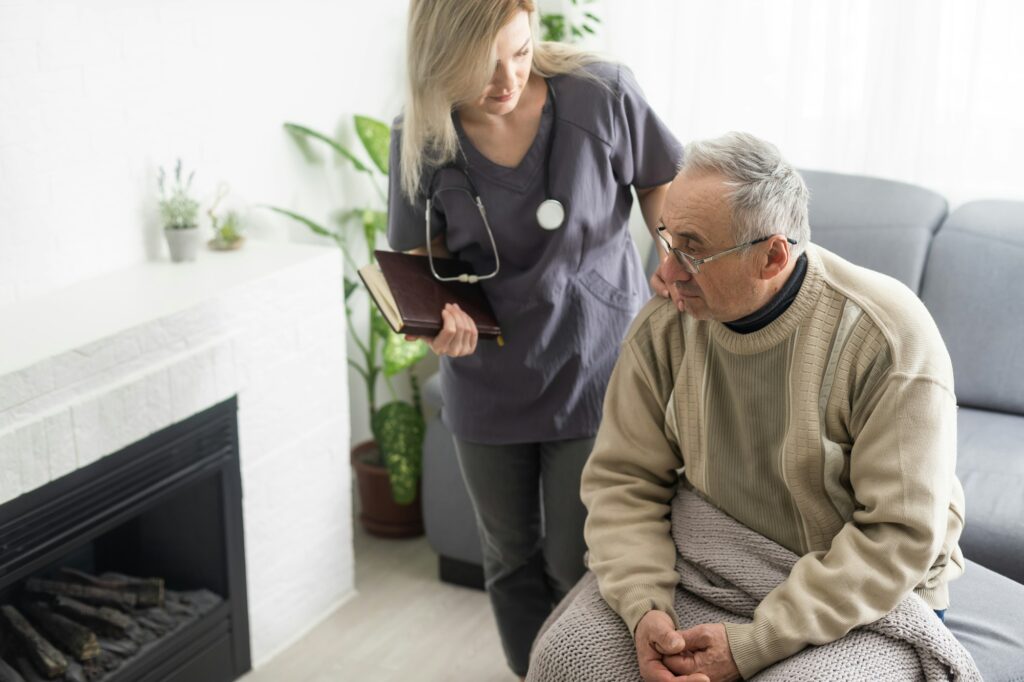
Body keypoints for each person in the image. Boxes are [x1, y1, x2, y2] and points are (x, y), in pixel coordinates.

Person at [580, 132, 966, 682]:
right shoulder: (666, 324)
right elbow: (623, 481)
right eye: (666, 239)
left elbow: (898, 537)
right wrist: (644, 608)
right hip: (716, 551)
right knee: (569, 656)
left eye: (692, 249)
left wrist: (754, 644)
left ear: (772, 256)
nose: (663, 274)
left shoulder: (889, 338)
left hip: (864, 581)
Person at [386, 0, 682, 677]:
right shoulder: (421, 133)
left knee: (576, 562)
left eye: (520, 53)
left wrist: (673, 254)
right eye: (482, 66)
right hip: (487, 381)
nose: (507, 79)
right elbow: (417, 263)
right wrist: (441, 325)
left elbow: (661, 178)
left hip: (597, 363)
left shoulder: (601, 94)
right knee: (510, 559)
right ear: (437, 61)